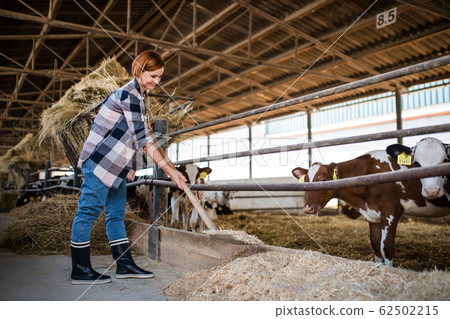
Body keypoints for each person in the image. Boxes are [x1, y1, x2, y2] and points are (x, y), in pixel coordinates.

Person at [70, 50, 186, 285]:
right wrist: (171, 170)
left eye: (160, 77)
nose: (157, 82)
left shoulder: (142, 97)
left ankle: (124, 264)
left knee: (116, 215)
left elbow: (131, 135)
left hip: (117, 166)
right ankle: (80, 270)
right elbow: (143, 140)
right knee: (88, 211)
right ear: (139, 70)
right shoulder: (129, 95)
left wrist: (129, 165)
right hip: (100, 162)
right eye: (153, 76)